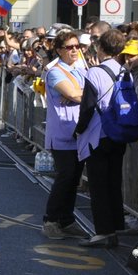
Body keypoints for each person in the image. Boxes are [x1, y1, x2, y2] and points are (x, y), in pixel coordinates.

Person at [72, 29, 131, 247]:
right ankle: (116, 225)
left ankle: (103, 232)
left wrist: (79, 129)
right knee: (114, 182)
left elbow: (87, 106)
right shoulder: (125, 71)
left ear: (100, 47)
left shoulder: (95, 72)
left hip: (99, 133)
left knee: (98, 185)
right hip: (119, 132)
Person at [42, 28, 86, 238]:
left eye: (77, 46)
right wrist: (77, 94)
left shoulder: (79, 69)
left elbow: (87, 93)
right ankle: (50, 220)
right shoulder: (54, 72)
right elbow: (74, 95)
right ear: (59, 50)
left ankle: (67, 220)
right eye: (70, 47)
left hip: (80, 131)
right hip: (62, 132)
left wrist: (79, 94)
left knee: (74, 178)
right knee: (65, 176)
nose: (75, 50)